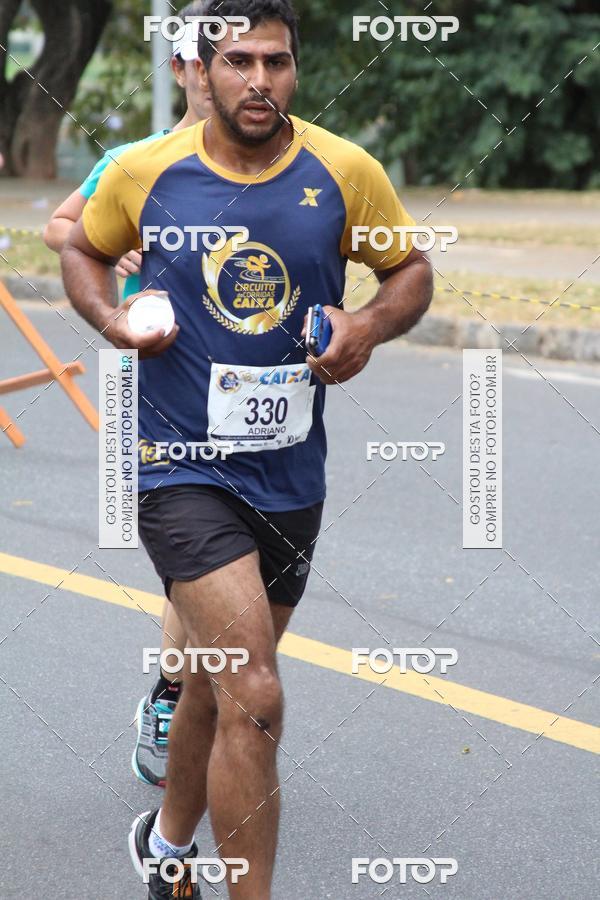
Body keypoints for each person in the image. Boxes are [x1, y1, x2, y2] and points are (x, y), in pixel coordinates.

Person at [61, 0, 433, 896]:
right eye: (239, 61)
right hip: (179, 469)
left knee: (216, 687)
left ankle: (166, 841)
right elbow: (82, 247)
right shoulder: (146, 172)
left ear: (295, 67)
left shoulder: (345, 171)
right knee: (256, 689)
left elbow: (411, 272)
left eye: (277, 61)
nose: (259, 80)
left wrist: (368, 324)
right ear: (203, 68)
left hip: (290, 472)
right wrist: (113, 317)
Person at [45, 0, 213, 790]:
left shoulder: (271, 161)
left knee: (226, 559)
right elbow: (61, 228)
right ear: (182, 69)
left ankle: (188, 691)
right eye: (205, 61)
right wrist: (126, 240)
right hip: (159, 377)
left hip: (251, 383)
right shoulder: (138, 158)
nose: (221, 78)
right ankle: (175, 693)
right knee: (191, 564)